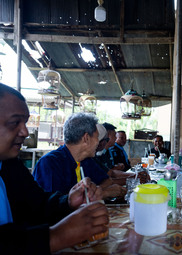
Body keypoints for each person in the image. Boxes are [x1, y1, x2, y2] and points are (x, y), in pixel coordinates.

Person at [0, 83, 108, 254]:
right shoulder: (49, 163)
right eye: (15, 123)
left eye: (25, 123)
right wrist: (56, 236)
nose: (25, 132)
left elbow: (37, 203)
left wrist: (68, 202)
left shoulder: (9, 165)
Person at [34, 113, 126, 199]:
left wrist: (93, 192)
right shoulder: (49, 163)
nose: (99, 142)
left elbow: (107, 180)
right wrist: (103, 193)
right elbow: (53, 206)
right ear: (86, 138)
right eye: (97, 137)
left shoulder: (86, 160)